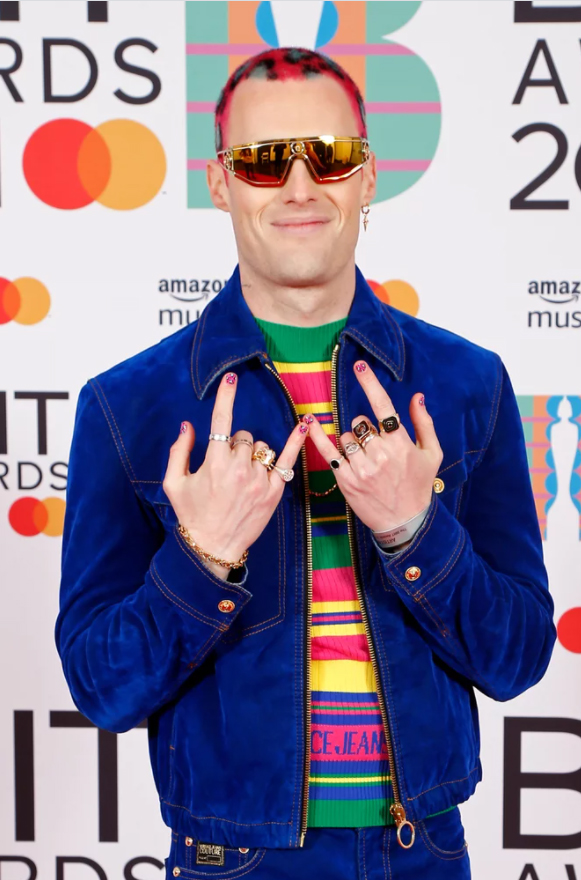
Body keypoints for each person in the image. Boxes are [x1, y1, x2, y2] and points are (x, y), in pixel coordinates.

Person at [55, 46, 557, 879]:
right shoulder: (125, 406)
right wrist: (203, 557)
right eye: (262, 162)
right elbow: (104, 689)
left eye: (328, 157)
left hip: (421, 851)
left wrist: (414, 531)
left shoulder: (467, 383)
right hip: (233, 858)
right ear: (220, 183)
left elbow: (517, 659)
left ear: (368, 178)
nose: (298, 187)